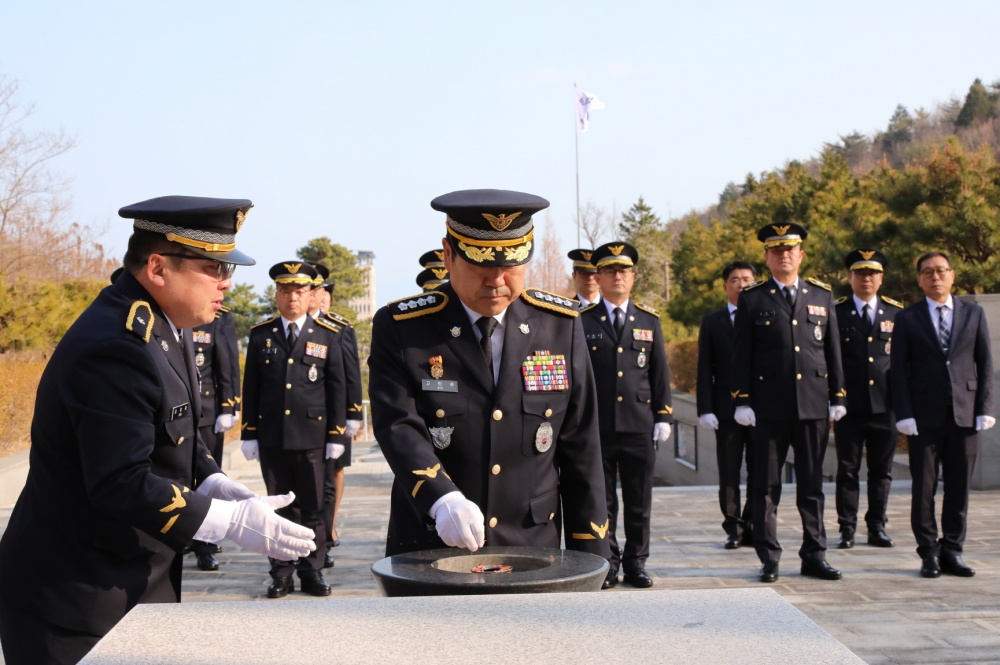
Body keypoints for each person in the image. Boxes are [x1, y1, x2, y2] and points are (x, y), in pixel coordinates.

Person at [0, 196, 315, 665]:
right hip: (74, 599)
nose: (227, 283)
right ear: (158, 267)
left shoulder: (167, 325)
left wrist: (213, 481)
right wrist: (227, 523)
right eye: (213, 267)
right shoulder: (117, 345)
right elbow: (118, 481)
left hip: (127, 585)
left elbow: (173, 429)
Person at [367, 188, 610, 562]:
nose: (497, 280)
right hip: (433, 540)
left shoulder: (560, 326)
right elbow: (398, 424)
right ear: (449, 255)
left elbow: (581, 447)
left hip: (531, 545)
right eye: (482, 264)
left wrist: (592, 555)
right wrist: (440, 497)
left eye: (511, 265)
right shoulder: (404, 328)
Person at [732, 221, 846, 583]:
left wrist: (838, 395)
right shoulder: (753, 298)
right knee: (765, 487)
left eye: (790, 249)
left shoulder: (822, 296)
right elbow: (741, 355)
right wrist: (743, 401)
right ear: (766, 256)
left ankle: (815, 554)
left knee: (812, 486)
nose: (783, 255)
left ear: (801, 254)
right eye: (776, 249)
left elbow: (833, 351)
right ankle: (770, 557)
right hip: (768, 406)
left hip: (812, 405)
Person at [240, 261, 349, 598]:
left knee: (315, 507)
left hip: (313, 438)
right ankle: (281, 572)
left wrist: (336, 434)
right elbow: (252, 387)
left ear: (310, 295)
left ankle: (312, 571)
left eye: (299, 292)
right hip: (273, 437)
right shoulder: (262, 334)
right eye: (285, 291)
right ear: (276, 294)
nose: (292, 299)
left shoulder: (326, 335)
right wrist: (249, 432)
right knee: (279, 508)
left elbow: (336, 389)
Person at [889, 251, 995, 578]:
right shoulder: (907, 318)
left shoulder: (973, 314)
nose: (935, 277)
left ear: (952, 275)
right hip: (923, 417)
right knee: (924, 488)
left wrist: (985, 408)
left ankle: (953, 550)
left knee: (959, 487)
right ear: (919, 279)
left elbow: (986, 365)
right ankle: (928, 553)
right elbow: (898, 371)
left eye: (941, 271)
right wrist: (904, 414)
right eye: (927, 272)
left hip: (964, 415)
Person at [580, 242, 673, 589]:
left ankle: (637, 563)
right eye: (609, 271)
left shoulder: (649, 320)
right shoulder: (583, 321)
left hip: (639, 425)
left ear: (632, 277)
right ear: (599, 278)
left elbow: (659, 373)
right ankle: (609, 563)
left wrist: (663, 416)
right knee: (603, 503)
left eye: (623, 271)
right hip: (599, 427)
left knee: (639, 502)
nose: (617, 277)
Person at [832, 249, 902, 551]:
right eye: (860, 273)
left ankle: (877, 527)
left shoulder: (897, 313)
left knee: (881, 471)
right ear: (850, 277)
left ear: (881, 278)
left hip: (885, 406)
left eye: (872, 274)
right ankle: (846, 528)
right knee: (847, 470)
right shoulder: (836, 312)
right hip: (849, 406)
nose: (866, 279)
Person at [696, 260, 757, 550]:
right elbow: (704, 368)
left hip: (760, 409)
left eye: (747, 279)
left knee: (761, 472)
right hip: (725, 409)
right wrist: (705, 409)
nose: (741, 284)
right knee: (729, 472)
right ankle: (733, 526)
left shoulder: (764, 317)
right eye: (735, 279)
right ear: (725, 286)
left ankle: (754, 523)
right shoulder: (712, 321)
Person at [307, 262, 363, 567]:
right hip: (303, 423)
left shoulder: (340, 327)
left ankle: (326, 531)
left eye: (322, 290)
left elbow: (351, 375)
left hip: (335, 417)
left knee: (333, 474)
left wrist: (353, 415)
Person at [188, 303, 242, 571]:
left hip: (207, 413)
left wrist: (228, 407)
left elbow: (227, 364)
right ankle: (183, 535)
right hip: (170, 415)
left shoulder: (216, 318)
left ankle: (206, 544)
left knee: (207, 481)